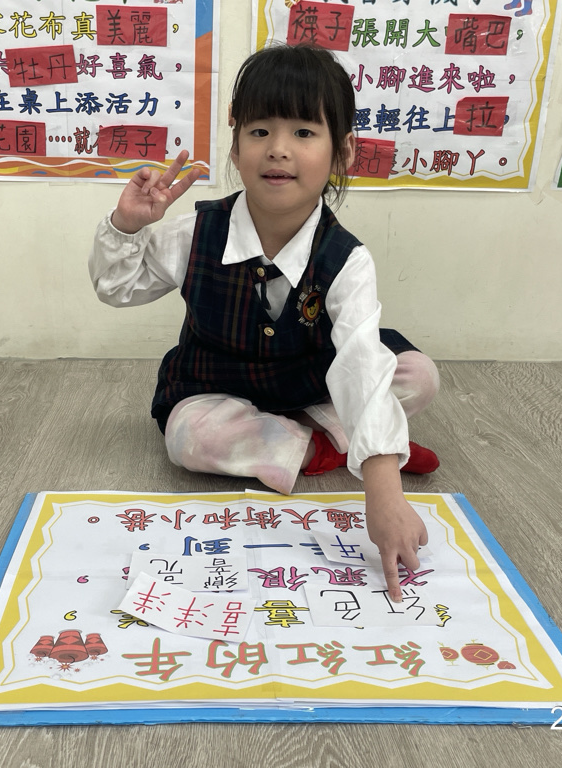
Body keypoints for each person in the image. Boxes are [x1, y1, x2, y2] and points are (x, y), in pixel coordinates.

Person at [89, 44, 440, 600]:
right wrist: (127, 226)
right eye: (259, 132)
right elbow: (117, 288)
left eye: (303, 132)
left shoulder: (346, 258)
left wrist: (383, 492)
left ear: (342, 151)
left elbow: (358, 359)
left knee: (417, 375)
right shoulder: (195, 233)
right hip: (219, 382)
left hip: (313, 376)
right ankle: (334, 444)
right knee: (189, 438)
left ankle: (346, 443)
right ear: (235, 146)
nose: (278, 149)